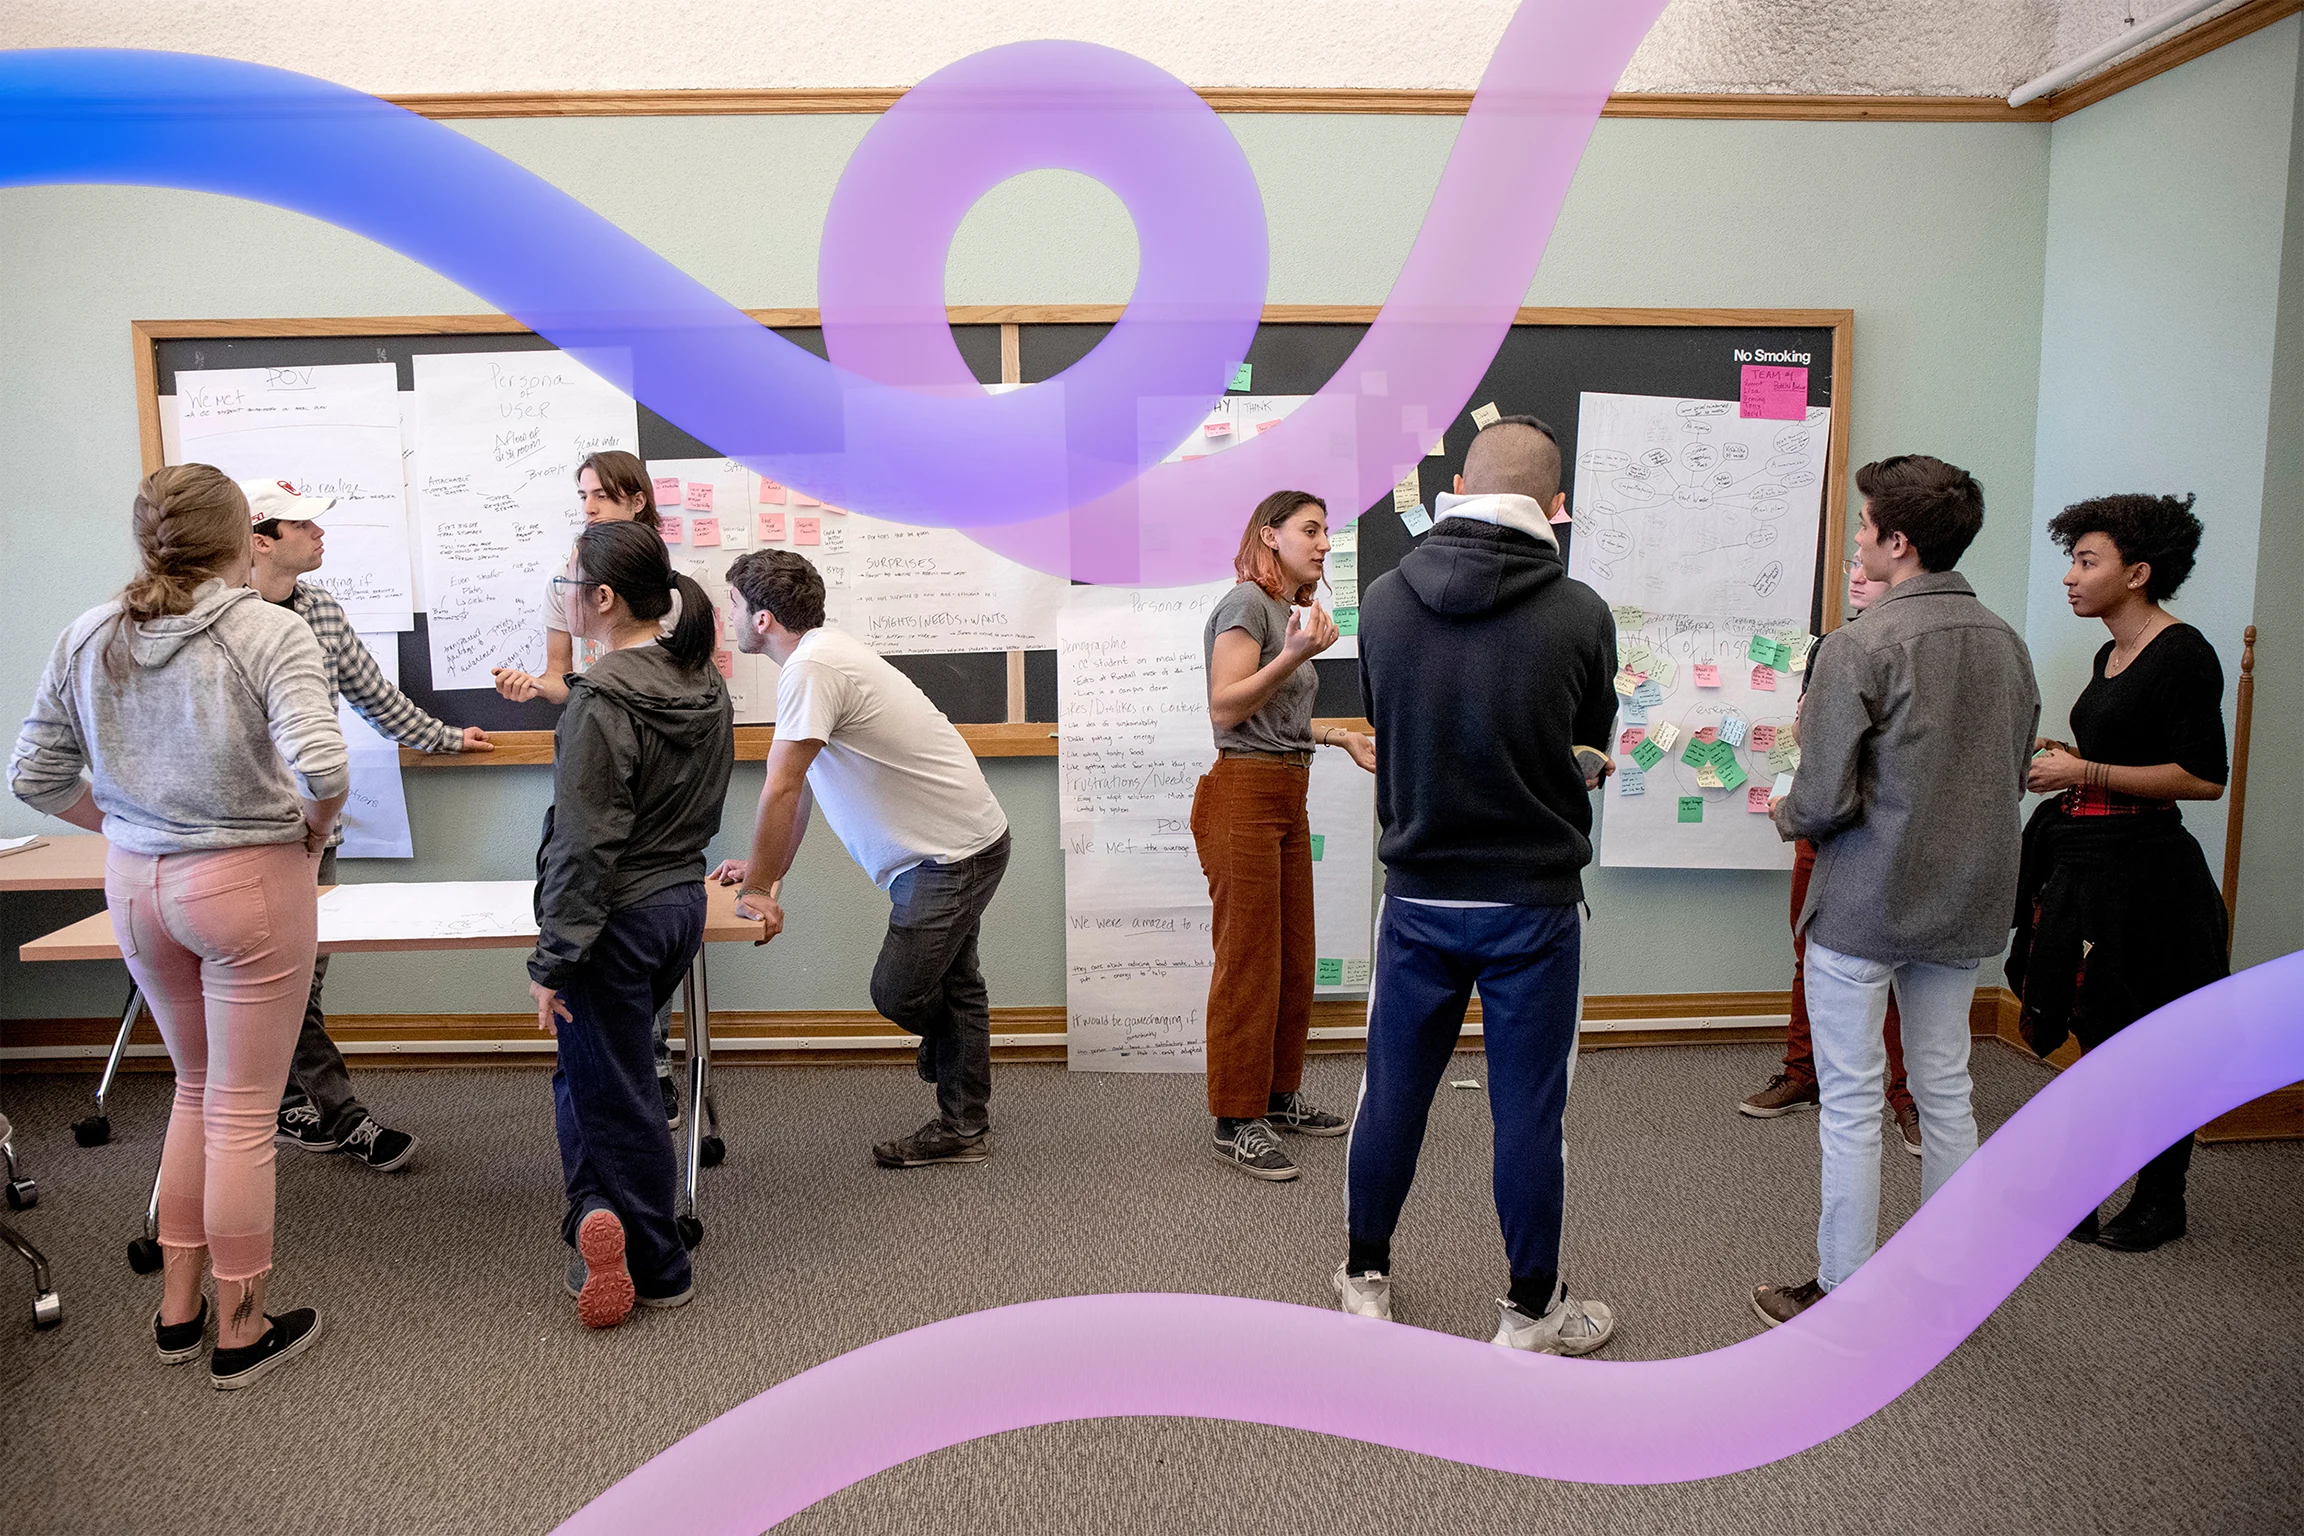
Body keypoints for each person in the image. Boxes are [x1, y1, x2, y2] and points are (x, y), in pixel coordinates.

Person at [10, 465, 345, 1387]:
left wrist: (122, 824)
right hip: (247, 883)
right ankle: (242, 1329)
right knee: (243, 1112)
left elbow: (32, 777)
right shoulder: (265, 629)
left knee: (196, 1090)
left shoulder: (89, 631)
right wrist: (314, 835)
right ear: (243, 540)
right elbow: (323, 767)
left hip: (137, 888)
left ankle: (178, 1307)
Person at [1337, 416, 1622, 1354]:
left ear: (1460, 482)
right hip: (1531, 906)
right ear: (1555, 506)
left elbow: (1393, 728)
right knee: (1530, 1114)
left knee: (1392, 1096)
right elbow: (1587, 748)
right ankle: (1530, 1312)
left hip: (1417, 899)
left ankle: (1366, 1279)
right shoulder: (1581, 611)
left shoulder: (1380, 599)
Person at [1753, 455, 2038, 1326]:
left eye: (1865, 524)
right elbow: (2013, 773)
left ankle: (1843, 1291)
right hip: (1964, 898)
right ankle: (1950, 1282)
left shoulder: (1859, 646)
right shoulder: (2006, 642)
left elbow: (1826, 796)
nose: (1858, 538)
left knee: (1849, 1101)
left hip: (1867, 904)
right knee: (1945, 1087)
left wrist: (1782, 807)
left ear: (1898, 542)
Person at [712, 549, 1012, 1169]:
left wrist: (761, 889)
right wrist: (765, 872)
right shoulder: (817, 659)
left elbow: (782, 786)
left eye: (735, 607)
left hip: (952, 856)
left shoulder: (812, 670)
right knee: (954, 986)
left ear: (763, 619)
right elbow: (798, 791)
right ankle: (964, 1124)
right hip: (949, 850)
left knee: (899, 992)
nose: (728, 618)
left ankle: (953, 1062)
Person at [242, 477, 493, 1172]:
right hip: (244, 835)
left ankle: (294, 1109)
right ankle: (341, 1116)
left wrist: (446, 737)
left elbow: (374, 695)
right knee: (283, 981)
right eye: (305, 526)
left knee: (304, 982)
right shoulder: (225, 619)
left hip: (314, 830)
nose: (321, 534)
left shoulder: (320, 608)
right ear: (261, 539)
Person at [2009, 493, 2228, 1253]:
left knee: (2152, 1042)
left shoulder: (2184, 651)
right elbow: (2123, 752)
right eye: (2073, 559)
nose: (2070, 576)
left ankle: (2163, 1199)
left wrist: (2085, 767)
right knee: (2099, 1031)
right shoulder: (2109, 652)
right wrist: (2068, 761)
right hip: (2094, 860)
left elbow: (2204, 778)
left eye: (2086, 561)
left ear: (2138, 573)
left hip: (2152, 878)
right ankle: (2085, 1183)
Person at [526, 519, 731, 1329]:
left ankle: (657, 1262)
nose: (564, 597)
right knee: (594, 1073)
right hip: (679, 906)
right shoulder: (702, 680)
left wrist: (553, 959)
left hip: (612, 921)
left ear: (603, 598)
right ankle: (590, 1220)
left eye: (571, 584)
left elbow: (585, 843)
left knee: (615, 1092)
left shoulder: (603, 699)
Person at [492, 451, 687, 1130]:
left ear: (638, 500)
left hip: (658, 788)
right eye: (583, 495)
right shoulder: (570, 578)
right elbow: (563, 678)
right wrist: (536, 687)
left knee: (634, 916)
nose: (590, 506)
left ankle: (652, 1067)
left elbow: (674, 673)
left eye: (602, 495)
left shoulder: (669, 585)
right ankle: (630, 1083)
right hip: (606, 751)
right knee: (602, 899)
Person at [1194, 491, 1376, 1181]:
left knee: (1295, 956)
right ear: (1269, 536)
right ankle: (1236, 1120)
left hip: (1284, 788)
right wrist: (1292, 653)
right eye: (1311, 529)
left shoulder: (1289, 611)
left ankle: (1277, 1095)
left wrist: (1338, 736)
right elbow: (1225, 704)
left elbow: (1281, 723)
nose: (1325, 542)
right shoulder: (1247, 604)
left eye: (1327, 530)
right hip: (1241, 793)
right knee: (1248, 961)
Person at [1739, 556, 1921, 1158]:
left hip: (1884, 837)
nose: (1859, 574)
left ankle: (1905, 1095)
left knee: (1892, 965)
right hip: (1825, 831)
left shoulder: (1915, 646)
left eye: (1870, 563)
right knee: (1809, 953)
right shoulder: (1831, 648)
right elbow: (1810, 735)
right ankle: (1803, 1071)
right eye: (1853, 566)